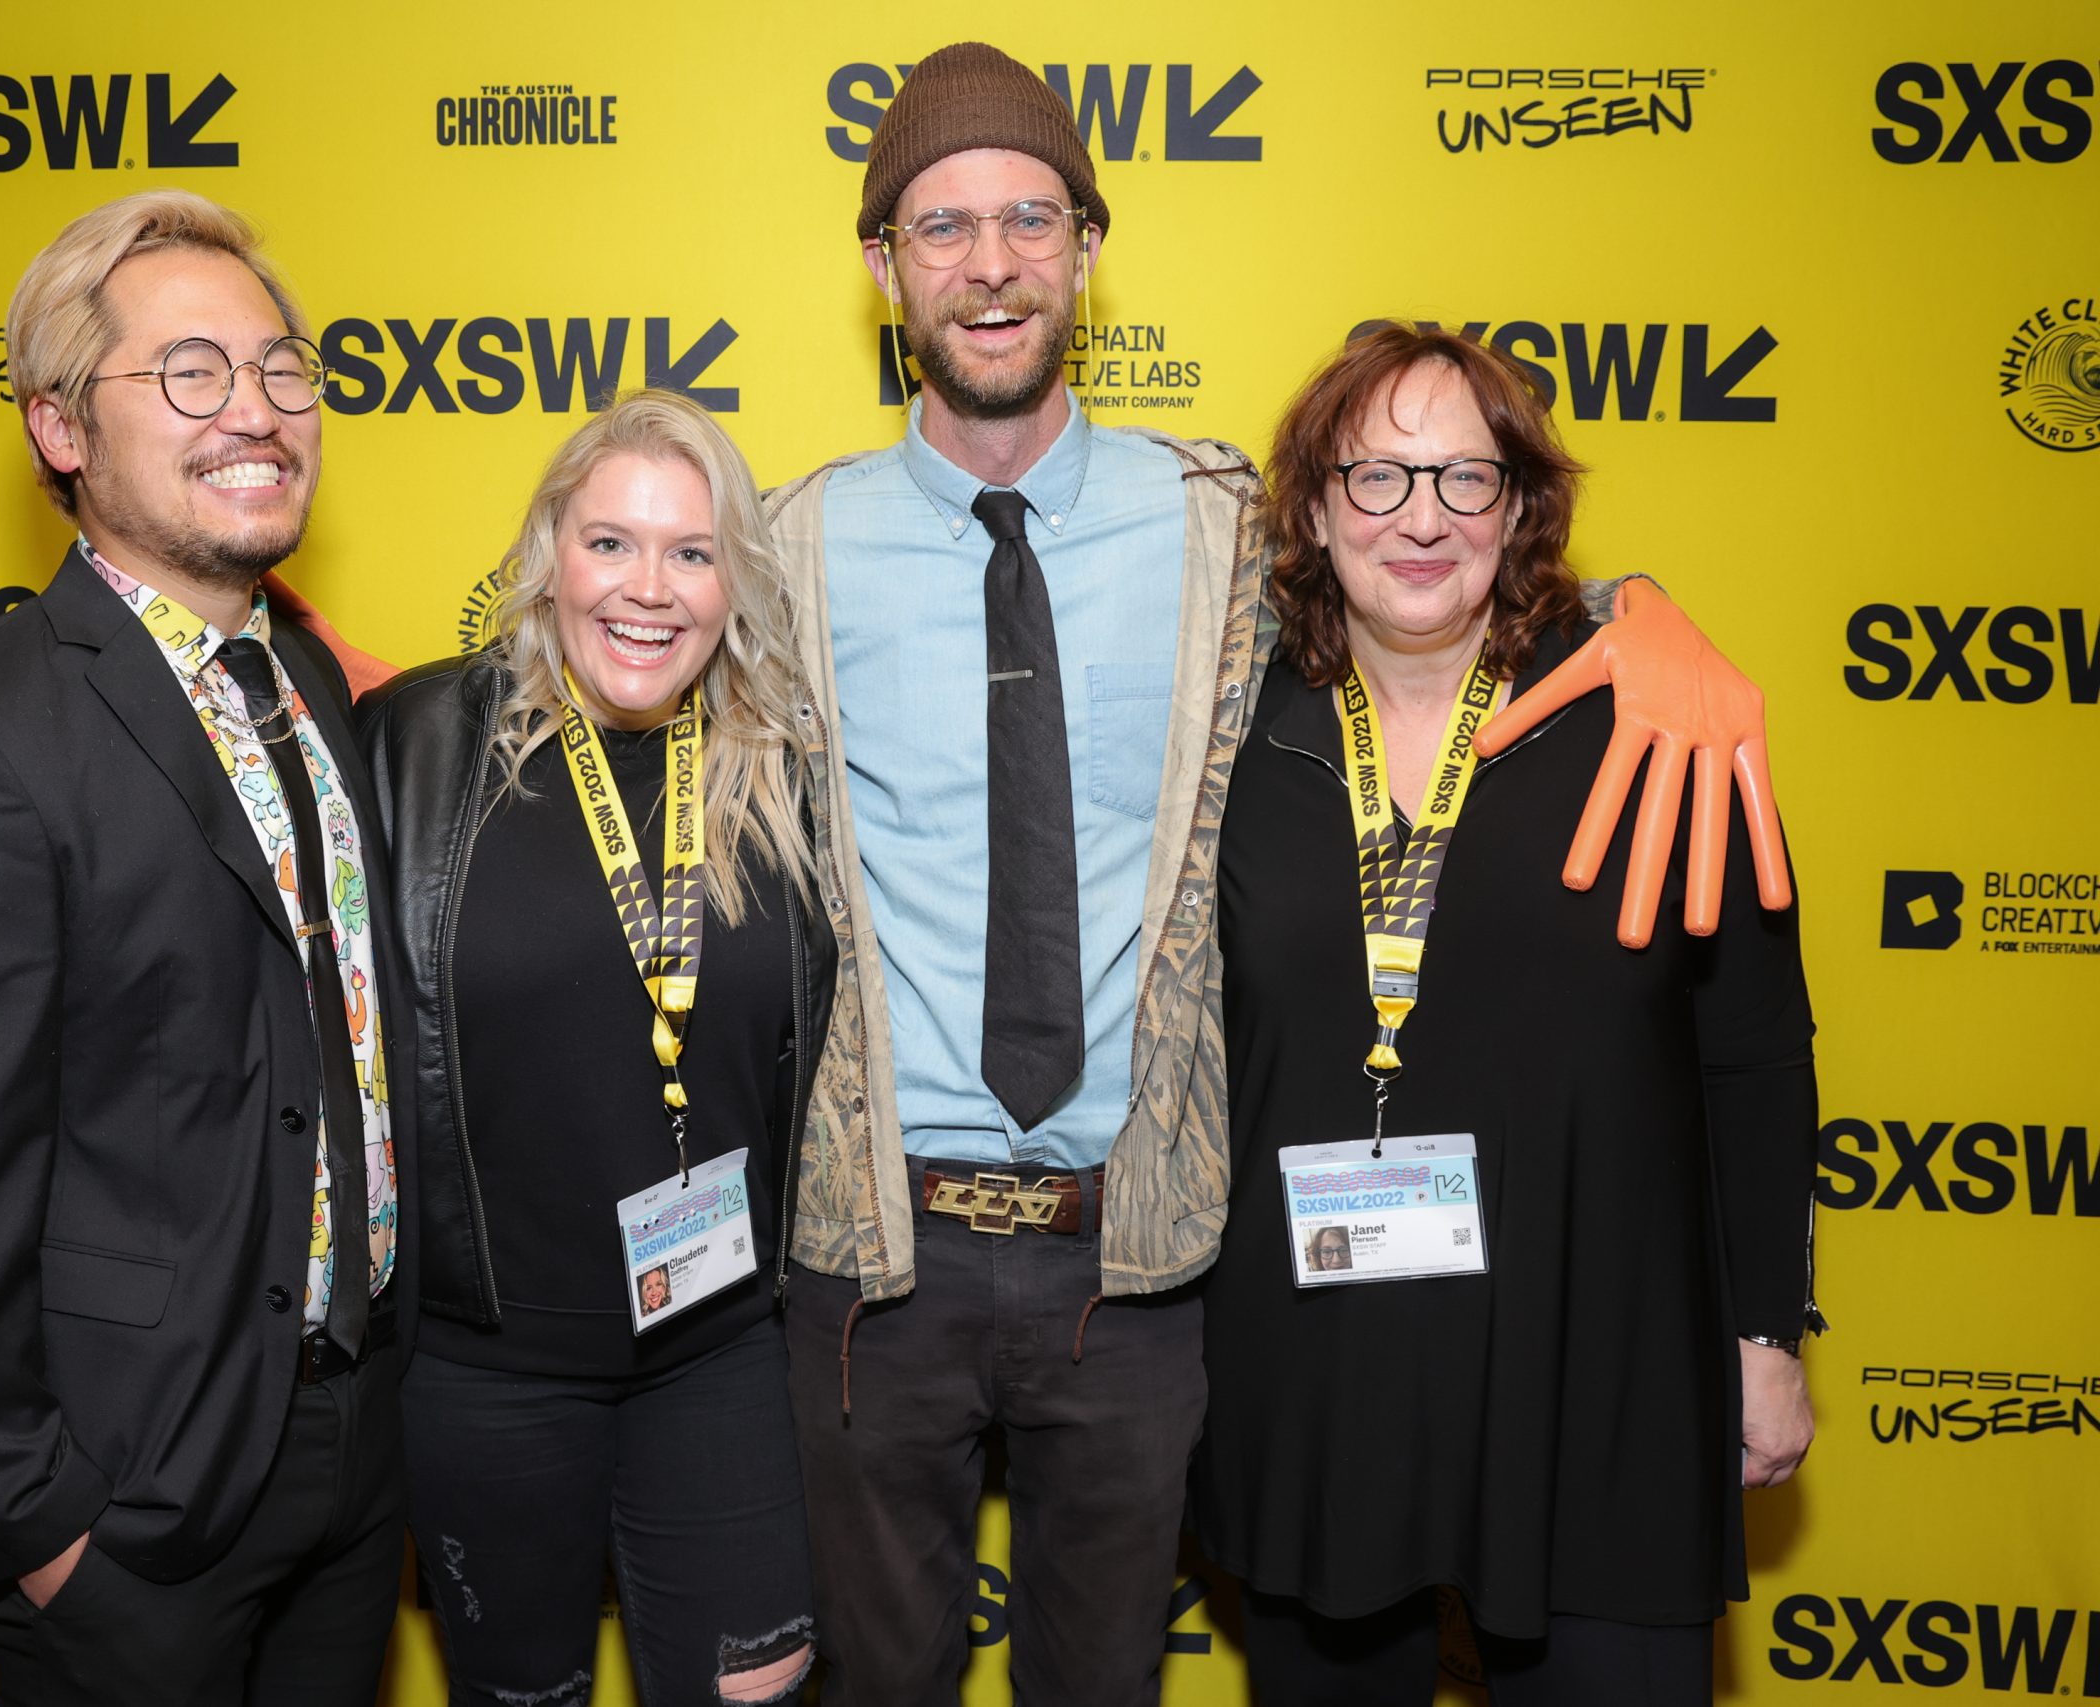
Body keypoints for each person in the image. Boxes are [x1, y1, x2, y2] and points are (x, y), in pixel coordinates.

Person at [756, 41, 1797, 1707]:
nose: (992, 262)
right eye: (942, 228)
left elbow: (1447, 559)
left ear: (1089, 250)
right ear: (882, 268)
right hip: (884, 1255)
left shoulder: (1223, 525)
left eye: (1031, 217)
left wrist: (1643, 612)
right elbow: (612, 652)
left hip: (1142, 1268)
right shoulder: (783, 549)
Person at [0, 190, 414, 1707]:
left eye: (284, 370)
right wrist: (39, 1528)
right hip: (135, 1510)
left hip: (354, 1463)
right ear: (61, 429)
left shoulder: (314, 686)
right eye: (192, 373)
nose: (260, 412)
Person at [1191, 324, 1821, 1704]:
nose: (1422, 519)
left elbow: (1756, 1054)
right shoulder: (1229, 742)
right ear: (1309, 507)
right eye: (1377, 478)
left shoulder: (1656, 725)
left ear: (1523, 508)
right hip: (1324, 1366)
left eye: (1465, 480)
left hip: (1600, 1362)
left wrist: (1766, 1337)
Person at [356, 391, 833, 1707]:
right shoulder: (413, 746)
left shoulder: (781, 771)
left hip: (720, 1347)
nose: (650, 588)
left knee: (763, 1689)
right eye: (611, 543)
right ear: (547, 557)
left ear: (733, 581)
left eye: (692, 552)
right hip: (486, 1372)